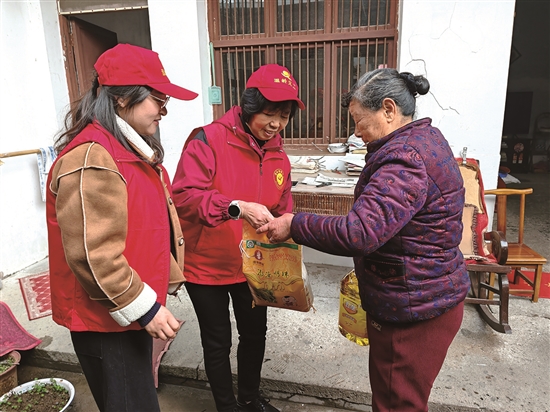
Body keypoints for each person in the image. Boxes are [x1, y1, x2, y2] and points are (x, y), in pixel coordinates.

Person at [258, 68, 469, 412]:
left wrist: (294, 224)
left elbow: (359, 232)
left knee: (396, 403)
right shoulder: (426, 138)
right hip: (426, 290)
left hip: (414, 305)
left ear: (388, 109)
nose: (356, 132)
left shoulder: (404, 159)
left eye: (359, 120)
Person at [46, 43, 198, 412]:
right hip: (105, 322)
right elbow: (93, 254)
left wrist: (163, 283)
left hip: (124, 312)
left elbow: (147, 227)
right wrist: (144, 308)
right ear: (122, 99)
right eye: (157, 99)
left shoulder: (128, 151)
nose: (163, 110)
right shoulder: (92, 157)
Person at [172, 64, 305, 412]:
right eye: (269, 113)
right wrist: (236, 207)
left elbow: (282, 207)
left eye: (284, 116)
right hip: (206, 267)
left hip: (253, 266)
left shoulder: (278, 155)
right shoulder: (208, 139)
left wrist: (286, 229)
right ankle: (226, 406)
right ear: (249, 106)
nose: (276, 124)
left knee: (255, 334)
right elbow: (184, 197)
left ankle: (249, 399)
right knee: (218, 342)